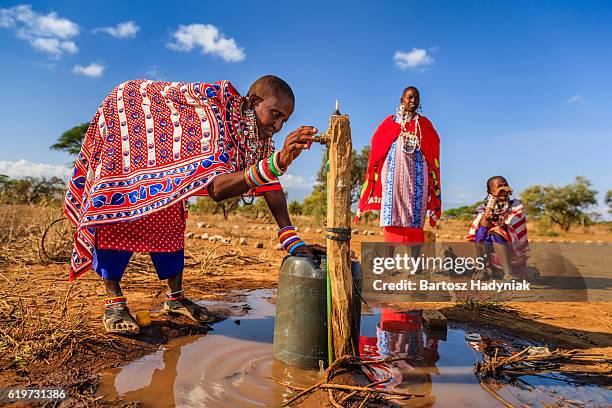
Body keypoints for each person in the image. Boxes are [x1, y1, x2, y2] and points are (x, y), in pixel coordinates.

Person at [65, 75, 323, 335]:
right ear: (254, 101)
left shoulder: (258, 139)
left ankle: (175, 298)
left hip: (164, 171)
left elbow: (270, 185)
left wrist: (292, 240)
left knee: (169, 225)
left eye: (284, 121)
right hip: (131, 141)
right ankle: (114, 303)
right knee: (119, 215)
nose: (278, 126)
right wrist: (277, 162)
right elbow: (217, 188)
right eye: (275, 114)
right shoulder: (215, 117)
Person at [355, 86, 441, 244]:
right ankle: (392, 262)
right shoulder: (391, 122)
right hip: (393, 178)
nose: (413, 101)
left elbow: (434, 144)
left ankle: (414, 263)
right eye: (409, 97)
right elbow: (377, 144)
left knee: (415, 217)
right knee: (391, 215)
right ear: (402, 100)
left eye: (416, 98)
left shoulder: (424, 125)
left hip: (418, 180)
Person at [467, 176, 529, 280]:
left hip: (512, 248)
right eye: (499, 186)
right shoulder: (483, 207)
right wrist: (493, 199)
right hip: (489, 248)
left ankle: (509, 275)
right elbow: (483, 224)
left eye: (505, 185)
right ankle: (482, 268)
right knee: (481, 231)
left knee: (496, 231)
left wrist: (495, 224)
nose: (503, 189)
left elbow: (506, 225)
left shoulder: (517, 205)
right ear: (490, 191)